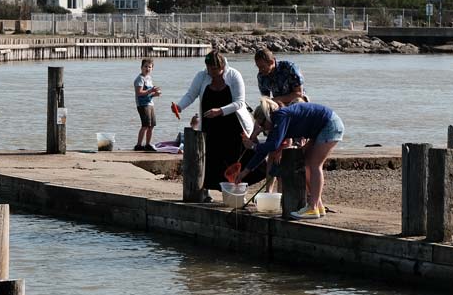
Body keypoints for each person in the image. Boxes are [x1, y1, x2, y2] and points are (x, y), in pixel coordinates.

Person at [171, 50, 259, 201]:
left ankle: (238, 193)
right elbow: (191, 95)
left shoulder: (234, 75)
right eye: (209, 69)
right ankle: (206, 193)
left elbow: (240, 102)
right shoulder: (201, 76)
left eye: (215, 70)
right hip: (210, 125)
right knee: (211, 159)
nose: (212, 73)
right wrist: (179, 107)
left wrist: (220, 111)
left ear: (223, 66)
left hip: (233, 124)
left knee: (236, 159)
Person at [237, 98, 344, 220]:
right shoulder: (277, 122)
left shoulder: (281, 115)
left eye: (262, 124)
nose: (262, 128)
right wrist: (244, 173)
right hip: (320, 128)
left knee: (314, 165)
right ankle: (318, 206)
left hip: (329, 124)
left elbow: (274, 145)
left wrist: (253, 145)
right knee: (307, 162)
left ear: (268, 116)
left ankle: (313, 207)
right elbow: (265, 150)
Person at [133, 58, 162, 151]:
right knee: (145, 125)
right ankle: (138, 145)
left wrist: (155, 94)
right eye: (145, 66)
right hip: (142, 105)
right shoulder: (140, 79)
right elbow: (139, 92)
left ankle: (148, 144)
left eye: (149, 67)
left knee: (151, 125)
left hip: (150, 104)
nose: (147, 68)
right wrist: (151, 91)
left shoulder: (149, 78)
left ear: (152, 69)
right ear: (141, 67)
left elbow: (149, 94)